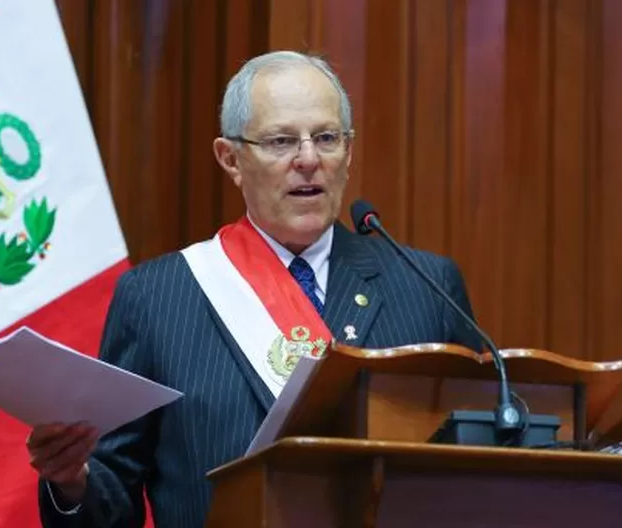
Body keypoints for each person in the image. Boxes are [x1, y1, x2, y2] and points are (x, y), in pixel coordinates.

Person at [27, 50, 482, 528]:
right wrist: (71, 481)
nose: (308, 160)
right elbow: (111, 494)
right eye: (282, 140)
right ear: (231, 158)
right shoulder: (159, 298)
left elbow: (479, 465)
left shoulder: (426, 286)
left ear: (348, 151)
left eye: (326, 138)